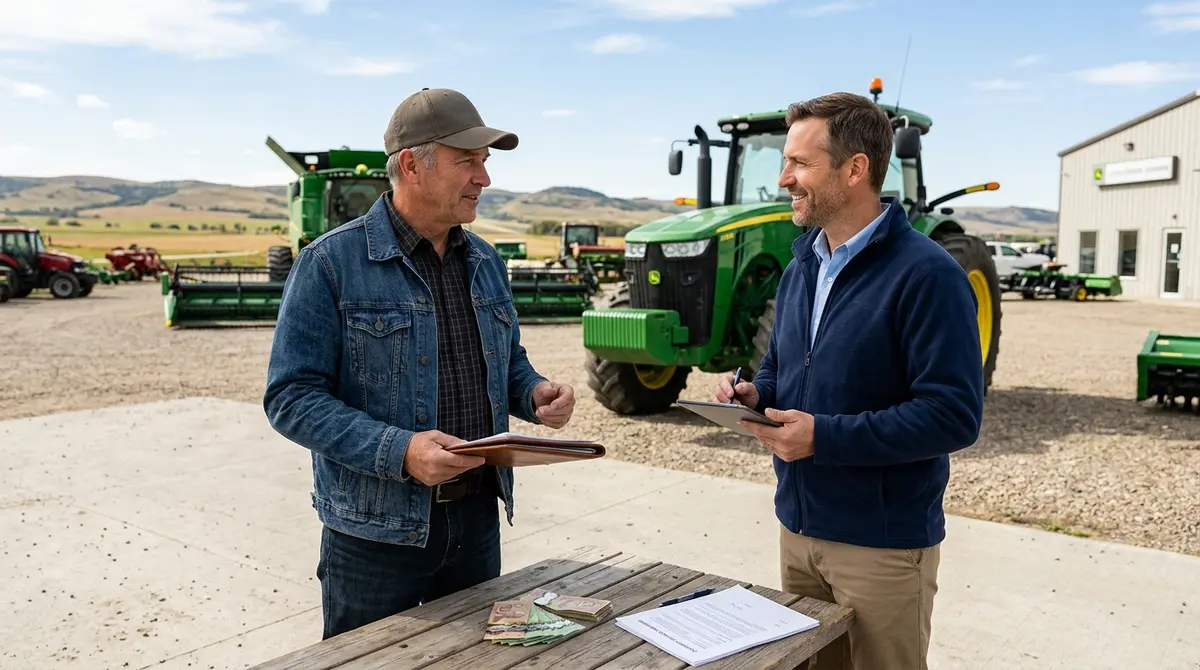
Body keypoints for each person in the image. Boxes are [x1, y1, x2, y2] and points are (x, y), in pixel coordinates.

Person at [263, 87, 576, 640]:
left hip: (477, 522)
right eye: (468, 162)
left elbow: (506, 363)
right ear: (411, 164)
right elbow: (292, 398)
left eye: (485, 163)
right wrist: (401, 451)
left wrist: (534, 392)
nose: (484, 178)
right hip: (376, 538)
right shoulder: (330, 264)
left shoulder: (483, 261)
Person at [715, 92, 984, 670]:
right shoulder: (800, 269)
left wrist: (823, 437)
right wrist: (754, 394)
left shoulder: (929, 276)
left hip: (881, 547)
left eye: (800, 164)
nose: (784, 178)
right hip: (799, 529)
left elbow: (954, 415)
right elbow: (779, 372)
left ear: (855, 169)